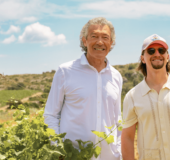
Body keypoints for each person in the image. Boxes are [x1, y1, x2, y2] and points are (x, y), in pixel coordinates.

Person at [44, 17, 122, 160]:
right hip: (74, 156)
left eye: (105, 37)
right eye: (94, 36)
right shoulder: (65, 71)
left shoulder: (116, 76)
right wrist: (58, 149)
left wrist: (119, 152)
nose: (100, 42)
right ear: (84, 40)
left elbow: (117, 120)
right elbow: (51, 114)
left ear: (111, 43)